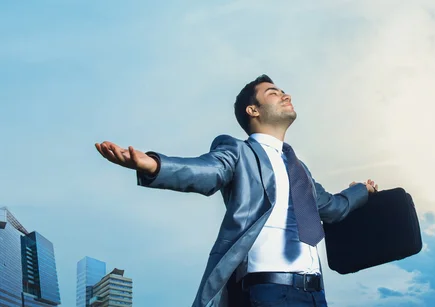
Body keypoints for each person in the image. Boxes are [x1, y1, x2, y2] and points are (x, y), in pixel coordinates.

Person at [95, 75, 378, 307]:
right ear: (252, 110)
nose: (285, 95)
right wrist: (154, 165)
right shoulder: (238, 151)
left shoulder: (300, 170)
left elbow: (333, 207)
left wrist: (362, 191)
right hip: (268, 292)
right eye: (272, 92)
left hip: (316, 295)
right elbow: (209, 171)